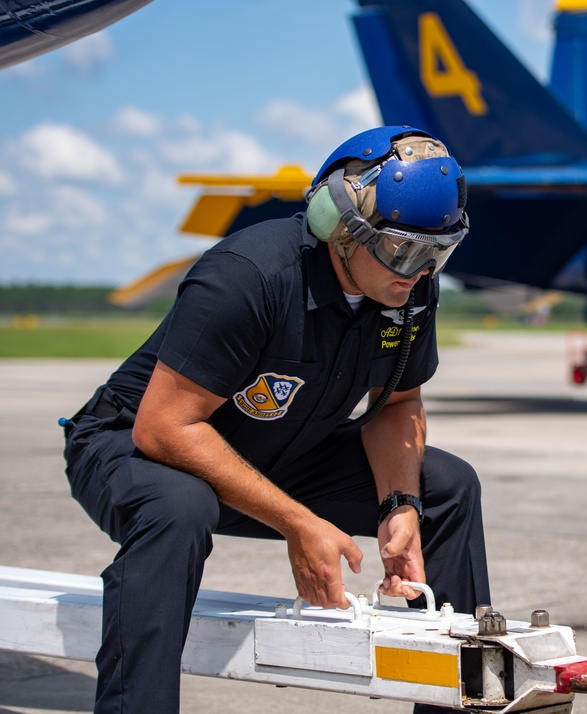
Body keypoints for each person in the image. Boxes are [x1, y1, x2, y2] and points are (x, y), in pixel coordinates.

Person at [63, 125, 491, 713]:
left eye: (438, 252)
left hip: (275, 452)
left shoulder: (410, 289)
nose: (419, 269)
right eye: (402, 249)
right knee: (177, 509)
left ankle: (454, 704)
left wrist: (400, 506)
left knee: (446, 487)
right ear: (339, 224)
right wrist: (297, 522)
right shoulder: (249, 275)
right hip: (133, 447)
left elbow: (397, 404)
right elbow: (164, 427)